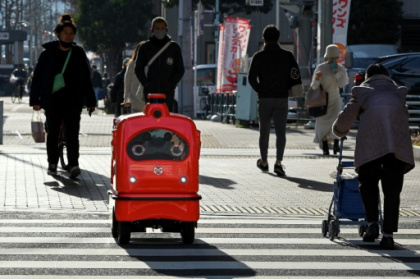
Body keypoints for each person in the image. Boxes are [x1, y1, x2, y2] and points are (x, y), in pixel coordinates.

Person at [332, 63, 415, 249]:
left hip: (371, 146)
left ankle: (372, 225)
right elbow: (405, 117)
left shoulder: (363, 92)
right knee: (392, 191)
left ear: (368, 77)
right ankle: (388, 235)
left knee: (367, 183)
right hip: (397, 149)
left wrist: (338, 131)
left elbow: (346, 118)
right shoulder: (397, 93)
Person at [29, 13, 96, 178]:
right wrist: (35, 100)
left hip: (73, 100)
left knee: (73, 134)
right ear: (58, 34)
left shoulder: (78, 53)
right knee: (53, 133)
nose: (68, 36)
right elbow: (37, 78)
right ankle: (52, 163)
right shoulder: (47, 54)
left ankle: (73, 164)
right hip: (52, 101)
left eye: (71, 33)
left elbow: (86, 78)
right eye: (65, 33)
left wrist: (91, 100)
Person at [248, 24, 302, 177]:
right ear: (278, 38)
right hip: (281, 98)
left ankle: (264, 162)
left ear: (263, 39)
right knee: (281, 132)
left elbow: (251, 78)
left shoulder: (258, 56)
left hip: (265, 98)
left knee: (263, 131)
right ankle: (278, 163)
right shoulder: (287, 56)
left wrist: (261, 90)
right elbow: (294, 74)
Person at [135, 16, 185, 112]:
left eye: (162, 28)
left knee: (166, 115)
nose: (160, 30)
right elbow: (138, 69)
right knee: (151, 115)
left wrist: (172, 84)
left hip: (167, 91)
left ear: (167, 29)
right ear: (152, 29)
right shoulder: (145, 47)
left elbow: (180, 69)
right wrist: (146, 83)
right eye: (157, 28)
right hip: (150, 91)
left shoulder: (174, 48)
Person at [310, 44, 349, 155]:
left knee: (336, 122)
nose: (332, 60)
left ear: (337, 57)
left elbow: (342, 84)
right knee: (322, 124)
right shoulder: (320, 67)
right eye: (330, 57)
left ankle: (336, 144)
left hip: (335, 99)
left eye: (334, 57)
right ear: (327, 57)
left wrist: (337, 74)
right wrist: (317, 79)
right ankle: (325, 146)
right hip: (322, 100)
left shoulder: (341, 68)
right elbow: (314, 86)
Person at [123, 41, 146, 113]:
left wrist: (126, 99)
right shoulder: (152, 65)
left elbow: (127, 81)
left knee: (136, 121)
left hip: (135, 100)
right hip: (148, 100)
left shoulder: (131, 64)